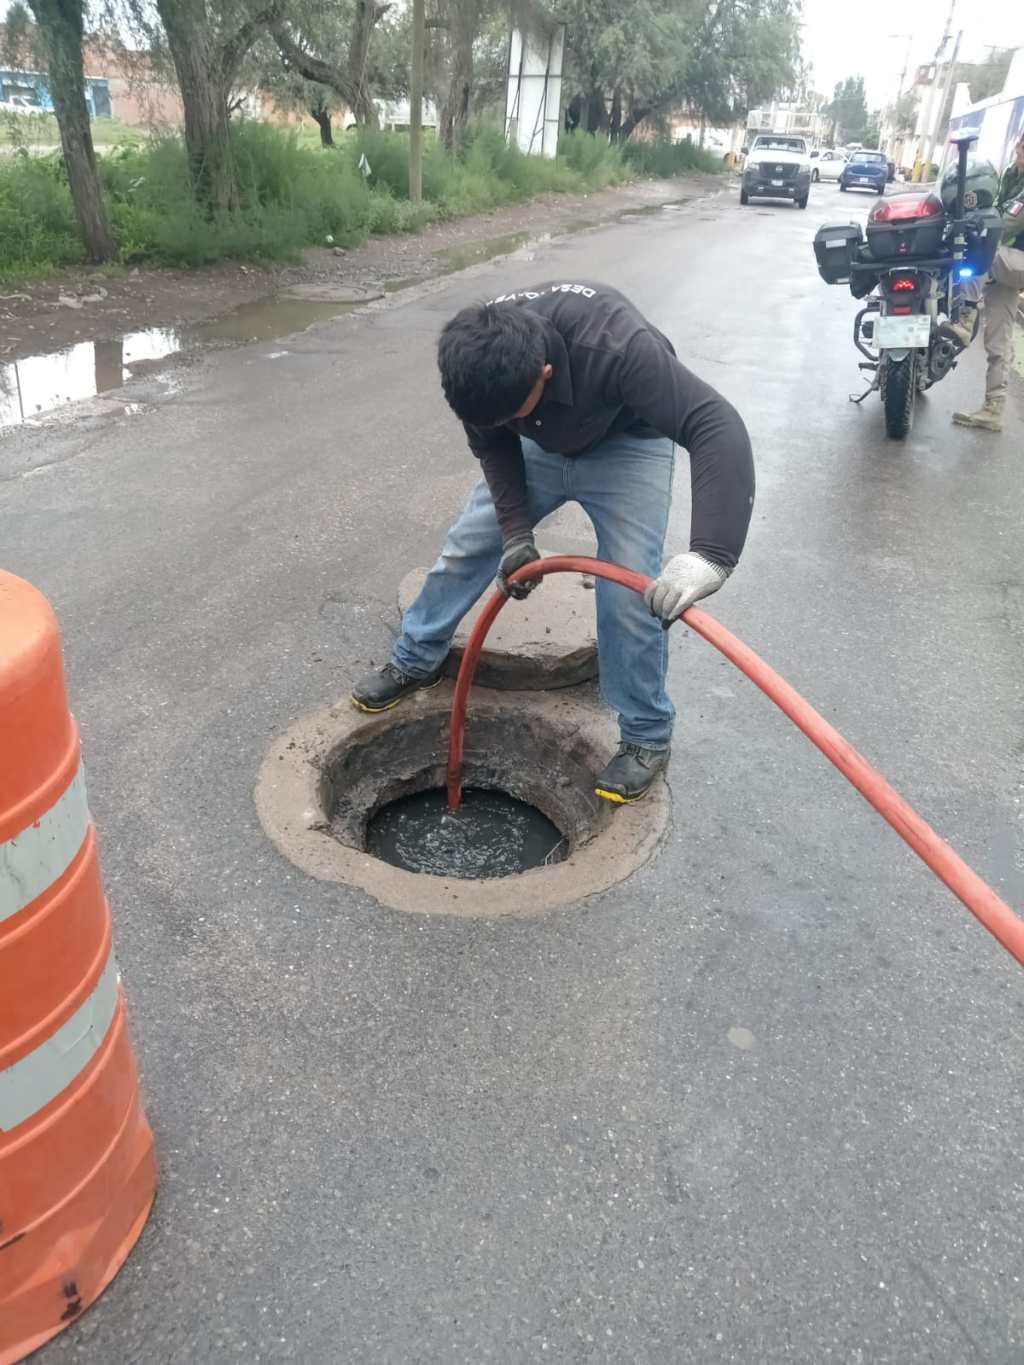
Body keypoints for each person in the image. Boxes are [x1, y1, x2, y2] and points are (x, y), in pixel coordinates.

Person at [351, 281, 755, 804]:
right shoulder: (479, 364)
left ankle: (645, 736)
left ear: (543, 372)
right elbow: (496, 446)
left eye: (508, 413)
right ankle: (414, 658)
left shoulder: (617, 347)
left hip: (628, 444)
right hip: (537, 444)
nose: (499, 423)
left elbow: (714, 423)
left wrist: (712, 553)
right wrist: (516, 535)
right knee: (467, 547)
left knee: (630, 595)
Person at [950, 132, 1024, 433]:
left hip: (1016, 260)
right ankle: (993, 409)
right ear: (1018, 146)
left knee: (980, 250)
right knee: (998, 339)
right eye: (1023, 144)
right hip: (1009, 262)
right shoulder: (1008, 175)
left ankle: (966, 315)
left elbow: (1007, 223)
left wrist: (975, 223)